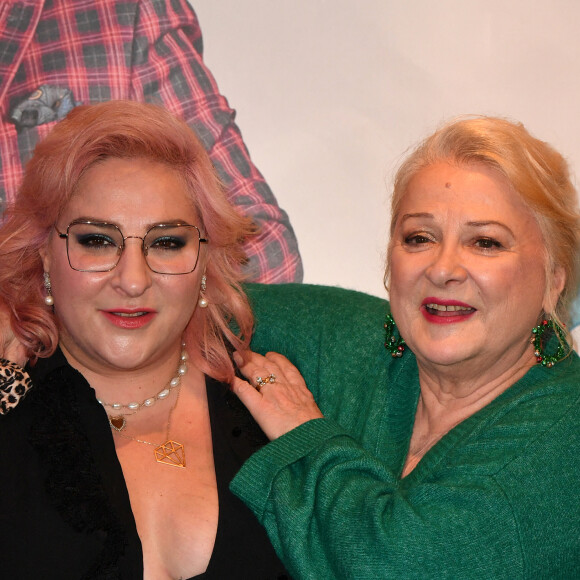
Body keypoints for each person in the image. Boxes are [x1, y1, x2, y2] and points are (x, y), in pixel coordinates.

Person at [229, 117, 580, 578]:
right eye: (420, 238)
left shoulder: (566, 429)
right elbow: (197, 303)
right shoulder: (364, 341)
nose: (443, 268)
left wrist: (306, 437)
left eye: (486, 242)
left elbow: (397, 564)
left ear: (553, 282)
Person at [0, 101, 290, 579]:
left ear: (204, 262)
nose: (132, 280)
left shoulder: (274, 413)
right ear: (45, 256)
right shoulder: (8, 415)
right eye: (96, 240)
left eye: (166, 242)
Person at [0, 0, 302, 283]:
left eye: (96, 240)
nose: (132, 283)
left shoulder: (123, 13)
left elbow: (270, 250)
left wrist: (24, 310)